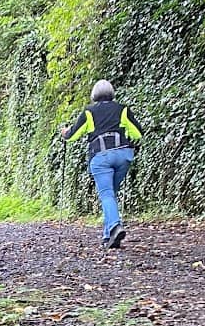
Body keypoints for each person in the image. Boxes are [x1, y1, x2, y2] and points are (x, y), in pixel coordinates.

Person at [59, 80, 144, 249]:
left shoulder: (89, 112)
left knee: (106, 194)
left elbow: (73, 135)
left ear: (94, 95)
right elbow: (138, 133)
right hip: (123, 155)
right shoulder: (123, 110)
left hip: (101, 157)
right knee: (111, 193)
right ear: (112, 93)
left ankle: (115, 226)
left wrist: (65, 132)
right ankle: (108, 237)